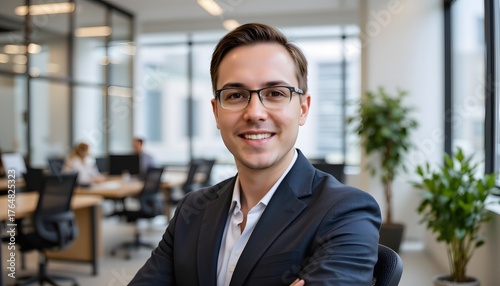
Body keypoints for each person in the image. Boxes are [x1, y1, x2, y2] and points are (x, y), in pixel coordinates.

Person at [128, 23, 381, 285]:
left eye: (275, 93)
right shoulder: (192, 210)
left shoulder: (346, 212)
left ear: (303, 109)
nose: (255, 113)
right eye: (236, 95)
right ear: (216, 112)